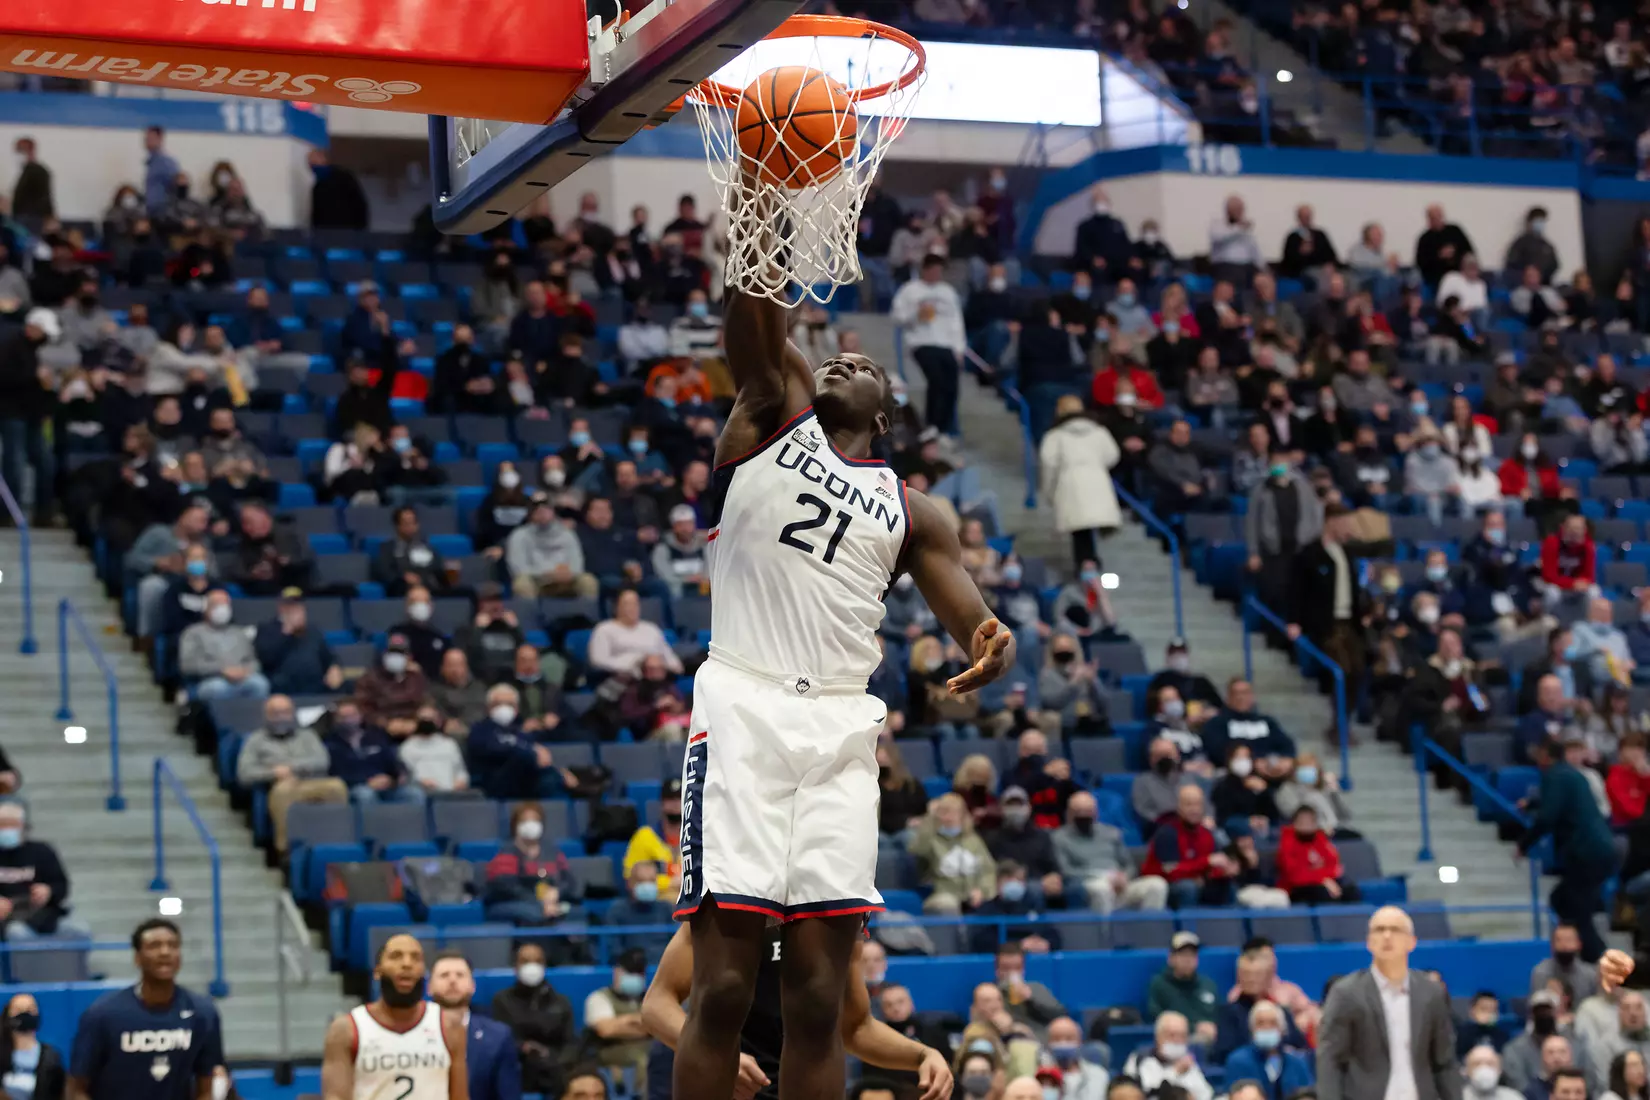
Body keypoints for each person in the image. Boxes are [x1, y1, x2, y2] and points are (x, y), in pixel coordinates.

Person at [672, 246, 1014, 1100]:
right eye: (837, 354)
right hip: (745, 703)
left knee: (819, 998)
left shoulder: (913, 509)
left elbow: (970, 616)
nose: (846, 358)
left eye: (865, 364)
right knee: (720, 986)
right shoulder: (772, 411)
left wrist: (989, 639)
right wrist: (763, 227)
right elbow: (752, 314)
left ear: (886, 415)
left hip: (838, 727)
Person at [640, 922, 953, 1100]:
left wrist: (923, 1055)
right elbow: (656, 1004)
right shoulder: (729, 907)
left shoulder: (838, 924)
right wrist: (720, 1057)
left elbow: (855, 1027)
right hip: (735, 1087)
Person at [1314, 906, 1464, 1100]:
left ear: (1412, 942)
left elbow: (1444, 1062)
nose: (1386, 936)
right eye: (1379, 929)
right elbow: (1330, 1060)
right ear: (1369, 942)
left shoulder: (1431, 993)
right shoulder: (1346, 993)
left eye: (1395, 929)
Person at [67, 919, 223, 1100]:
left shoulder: (203, 1013)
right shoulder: (102, 1015)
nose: (165, 952)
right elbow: (76, 1089)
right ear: (137, 957)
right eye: (154, 946)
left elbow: (205, 1089)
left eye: (173, 945)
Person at [321, 933, 467, 1100]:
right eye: (396, 956)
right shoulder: (346, 1029)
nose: (407, 964)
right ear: (377, 971)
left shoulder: (449, 1026)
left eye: (416, 958)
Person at [1520, 738, 1619, 963]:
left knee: (1577, 909)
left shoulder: (1555, 776)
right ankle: (1578, 956)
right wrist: (1532, 804)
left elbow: (1547, 817)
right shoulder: (1574, 775)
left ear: (1546, 755)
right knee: (1561, 899)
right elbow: (1563, 804)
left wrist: (1523, 845)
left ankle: (1602, 962)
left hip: (1586, 852)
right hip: (1599, 849)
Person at [235, 694, 348, 855]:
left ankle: (338, 843)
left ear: (292, 713)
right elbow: (244, 773)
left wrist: (292, 768)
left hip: (312, 782)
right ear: (266, 715)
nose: (281, 717)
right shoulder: (255, 740)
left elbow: (322, 761)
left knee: (337, 786)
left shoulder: (307, 735)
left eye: (286, 712)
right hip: (280, 786)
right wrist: (273, 772)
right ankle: (286, 850)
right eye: (275, 713)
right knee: (283, 791)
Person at [1037, 395, 1120, 567]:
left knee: (1079, 531)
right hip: (1098, 482)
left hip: (1070, 484)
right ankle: (1092, 567)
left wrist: (1048, 492)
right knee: (1088, 529)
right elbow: (1112, 455)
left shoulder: (1055, 436)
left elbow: (1048, 465)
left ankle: (1085, 569)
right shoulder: (1099, 431)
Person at [428, 951, 522, 1100]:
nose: (452, 980)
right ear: (429, 987)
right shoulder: (413, 1032)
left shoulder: (498, 1037)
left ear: (472, 986)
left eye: (460, 975)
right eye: (444, 975)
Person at [490, 943, 577, 1099]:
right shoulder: (502, 1000)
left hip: (555, 1069)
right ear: (515, 966)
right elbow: (500, 1039)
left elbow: (570, 1042)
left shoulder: (561, 1002)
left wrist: (552, 1057)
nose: (532, 966)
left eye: (538, 961)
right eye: (525, 961)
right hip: (519, 1068)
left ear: (544, 965)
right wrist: (524, 1047)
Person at [583, 949, 653, 1086]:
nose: (633, 976)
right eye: (629, 972)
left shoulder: (652, 998)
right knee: (643, 1060)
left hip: (649, 1050)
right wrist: (644, 1025)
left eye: (638, 972)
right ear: (617, 972)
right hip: (610, 1053)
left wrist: (623, 1021)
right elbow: (606, 1030)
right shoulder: (599, 998)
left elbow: (664, 1026)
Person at [1222, 1000, 1314, 1100]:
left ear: (1282, 1029)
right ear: (1252, 1029)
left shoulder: (1297, 1063)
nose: (1266, 1027)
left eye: (1273, 1023)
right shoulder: (1238, 1061)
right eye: (1260, 1023)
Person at [1146, 933, 1221, 1046]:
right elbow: (1156, 1017)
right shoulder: (1158, 985)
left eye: (1192, 955)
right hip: (1175, 1040)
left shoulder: (1208, 985)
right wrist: (1194, 1027)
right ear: (1171, 958)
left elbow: (1219, 1014)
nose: (1188, 960)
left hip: (1211, 1040)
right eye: (1183, 955)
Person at [1118, 1012, 1213, 1100]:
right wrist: (1175, 1072)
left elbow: (1206, 1094)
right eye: (1172, 1035)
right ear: (1158, 1037)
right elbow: (1148, 1093)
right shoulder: (1139, 1059)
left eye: (1183, 1036)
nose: (1177, 1040)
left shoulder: (1187, 1062)